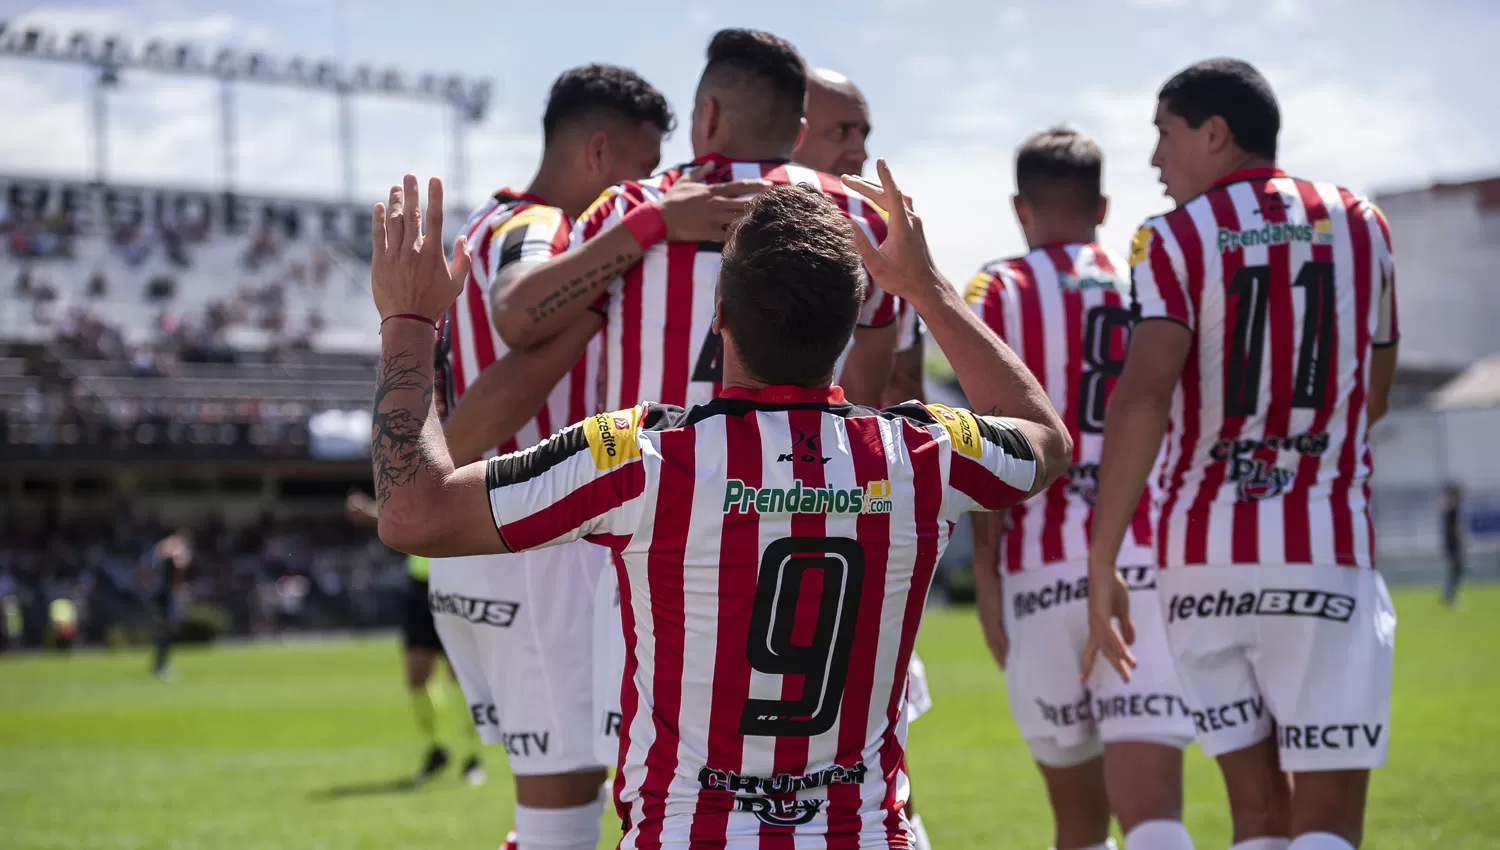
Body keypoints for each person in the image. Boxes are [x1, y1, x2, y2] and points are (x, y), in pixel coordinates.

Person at [363, 163, 1070, 847]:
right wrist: (928, 288)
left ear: (720, 317)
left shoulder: (644, 456)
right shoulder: (922, 452)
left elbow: (412, 513)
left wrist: (408, 322)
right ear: (853, 319)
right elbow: (1046, 440)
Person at [492, 29, 901, 792]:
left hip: (659, 560)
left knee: (663, 796)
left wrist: (646, 232)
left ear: (707, 114)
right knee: (839, 790)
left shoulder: (636, 207)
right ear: (800, 129)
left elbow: (519, 320)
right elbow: (869, 403)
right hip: (823, 544)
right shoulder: (859, 219)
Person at [1084, 59, 1400, 850]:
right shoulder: (1363, 221)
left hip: (1202, 561)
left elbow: (1144, 394)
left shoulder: (1170, 238)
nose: (1155, 160)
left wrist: (1102, 559)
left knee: (1256, 818)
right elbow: (1376, 393)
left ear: (1215, 132)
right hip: (1322, 550)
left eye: (1163, 134)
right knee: (1325, 823)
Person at [430, 63, 686, 850]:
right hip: (528, 550)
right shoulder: (538, 225)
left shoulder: (482, 223)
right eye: (643, 169)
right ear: (599, 151)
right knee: (563, 816)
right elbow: (521, 308)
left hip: (489, 550)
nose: (646, 190)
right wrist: (647, 232)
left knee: (563, 804)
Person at [966, 126, 1195, 850]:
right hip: (1140, 568)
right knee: (1156, 816)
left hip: (1035, 576)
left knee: (1078, 822)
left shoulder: (994, 290)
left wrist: (987, 581)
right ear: (1103, 207)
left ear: (1018, 207)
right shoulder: (1148, 282)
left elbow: (989, 448)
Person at [793, 66, 935, 850]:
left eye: (864, 133)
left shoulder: (874, 235)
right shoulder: (744, 225)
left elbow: (903, 383)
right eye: (841, 129)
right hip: (744, 520)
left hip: (852, 528)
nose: (857, 148)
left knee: (881, 767)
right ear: (792, 125)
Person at [346, 490, 484, 786]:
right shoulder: (418, 467)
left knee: (460, 675)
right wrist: (370, 512)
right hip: (420, 588)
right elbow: (406, 516)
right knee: (416, 674)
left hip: (458, 583)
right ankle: (437, 749)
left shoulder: (463, 465)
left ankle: (473, 757)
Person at [148, 529, 192, 680]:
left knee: (165, 629)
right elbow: (179, 565)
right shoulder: (175, 547)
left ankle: (160, 663)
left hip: (160, 593)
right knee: (169, 628)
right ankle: (161, 666)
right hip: (166, 594)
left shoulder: (160, 547)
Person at [1441, 483, 1465, 607]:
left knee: (1454, 571)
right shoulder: (1452, 509)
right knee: (1456, 570)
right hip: (1453, 545)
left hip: (1450, 544)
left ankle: (1449, 595)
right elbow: (1455, 529)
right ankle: (1451, 596)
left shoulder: (1448, 509)